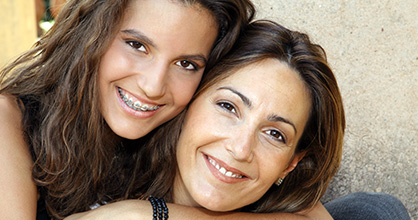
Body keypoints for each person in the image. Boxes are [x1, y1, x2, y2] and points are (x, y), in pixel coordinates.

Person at [66, 20, 410, 220]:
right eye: (229, 107)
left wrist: (151, 215)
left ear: (291, 163)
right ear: (189, 102)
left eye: (275, 134)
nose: (240, 148)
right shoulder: (88, 190)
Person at [0, 0, 255, 219]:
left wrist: (145, 213)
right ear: (91, 33)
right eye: (137, 45)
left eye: (186, 64)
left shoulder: (178, 146)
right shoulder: (9, 120)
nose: (153, 86)